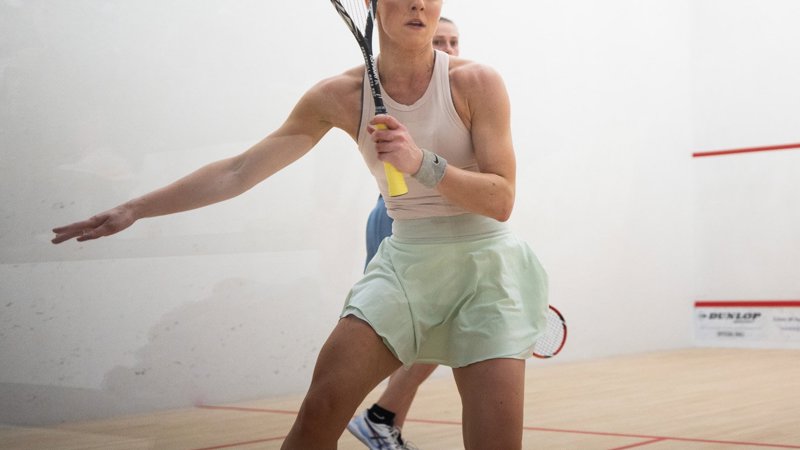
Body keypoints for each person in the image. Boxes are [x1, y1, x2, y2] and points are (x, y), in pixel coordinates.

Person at [52, 1, 548, 449]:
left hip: (487, 272)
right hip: (407, 267)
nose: (419, 4)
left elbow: (501, 199)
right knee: (318, 412)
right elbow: (238, 171)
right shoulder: (339, 95)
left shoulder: (476, 82)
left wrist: (420, 162)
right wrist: (135, 208)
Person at [352, 15, 460, 450]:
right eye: (440, 41)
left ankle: (383, 418)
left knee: (439, 331)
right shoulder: (408, 90)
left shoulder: (463, 88)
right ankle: (375, 415)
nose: (449, 49)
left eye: (454, 41)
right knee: (418, 332)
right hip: (400, 222)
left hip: (441, 228)